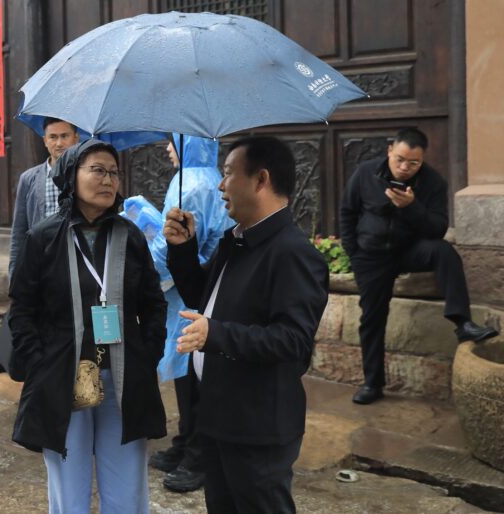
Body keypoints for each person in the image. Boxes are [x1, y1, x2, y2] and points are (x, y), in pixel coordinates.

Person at [164, 136, 328, 514]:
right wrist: (182, 248)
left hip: (258, 426)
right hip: (220, 415)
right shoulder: (236, 241)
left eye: (228, 174)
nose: (221, 186)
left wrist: (216, 333)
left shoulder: (292, 253)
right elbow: (202, 298)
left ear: (261, 180)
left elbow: (293, 340)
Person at [10, 139, 168, 514]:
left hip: (122, 378)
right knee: (69, 489)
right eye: (97, 170)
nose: (107, 180)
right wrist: (41, 363)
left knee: (127, 490)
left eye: (113, 172)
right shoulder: (45, 237)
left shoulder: (129, 236)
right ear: (71, 176)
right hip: (65, 377)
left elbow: (154, 303)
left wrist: (146, 356)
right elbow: (22, 309)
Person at [339, 128, 498, 405]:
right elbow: (347, 212)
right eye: (399, 159)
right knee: (372, 318)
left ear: (422, 160)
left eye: (413, 163)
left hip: (408, 250)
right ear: (390, 150)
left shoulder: (433, 182)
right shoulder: (365, 173)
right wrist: (354, 253)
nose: (404, 168)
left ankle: (463, 323)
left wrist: (411, 207)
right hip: (372, 256)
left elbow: (438, 228)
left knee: (444, 251)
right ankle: (372, 384)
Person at [145, 135, 232, 493]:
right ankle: (186, 442)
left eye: (173, 140)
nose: (168, 148)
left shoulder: (191, 183)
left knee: (195, 376)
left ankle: (198, 455)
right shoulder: (207, 177)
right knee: (188, 374)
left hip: (190, 289)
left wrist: (144, 271)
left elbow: (172, 244)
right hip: (195, 286)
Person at [8, 117, 80, 276]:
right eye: (53, 137)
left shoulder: (85, 177)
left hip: (78, 263)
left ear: (76, 138)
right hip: (42, 264)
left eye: (64, 136)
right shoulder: (29, 179)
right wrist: (14, 275)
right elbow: (19, 232)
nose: (59, 143)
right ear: (45, 141)